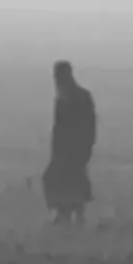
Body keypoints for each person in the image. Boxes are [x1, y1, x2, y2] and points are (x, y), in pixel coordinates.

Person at [42, 60, 97, 225]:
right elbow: (57, 127)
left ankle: (75, 217)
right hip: (63, 150)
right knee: (58, 179)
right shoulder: (61, 98)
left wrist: (85, 148)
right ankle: (63, 214)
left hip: (77, 149)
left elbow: (89, 125)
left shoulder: (82, 97)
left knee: (74, 181)